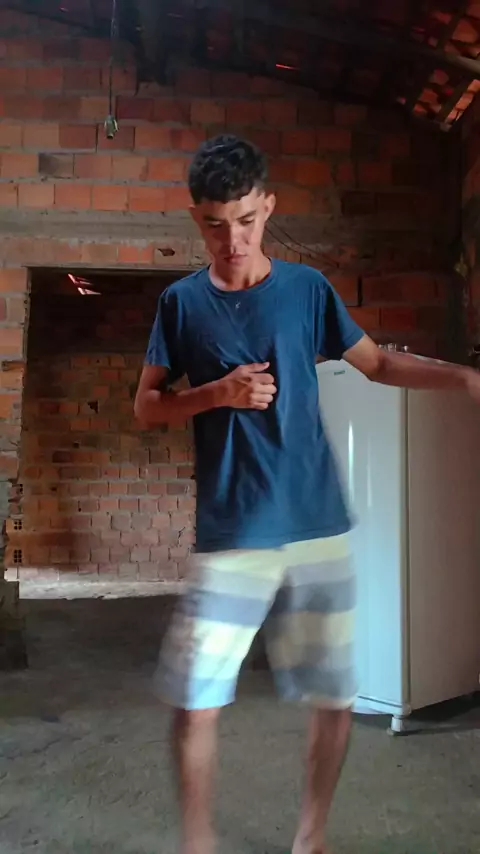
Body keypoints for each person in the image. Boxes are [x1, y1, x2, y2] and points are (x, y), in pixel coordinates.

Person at [134, 134, 480, 854]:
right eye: (214, 224)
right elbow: (147, 407)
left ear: (268, 207)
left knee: (334, 696)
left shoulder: (308, 290)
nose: (233, 240)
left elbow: (377, 363)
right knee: (195, 701)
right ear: (196, 218)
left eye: (246, 220)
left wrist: (462, 377)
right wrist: (215, 394)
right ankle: (197, 844)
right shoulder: (181, 303)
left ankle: (310, 837)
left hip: (318, 524)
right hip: (233, 532)